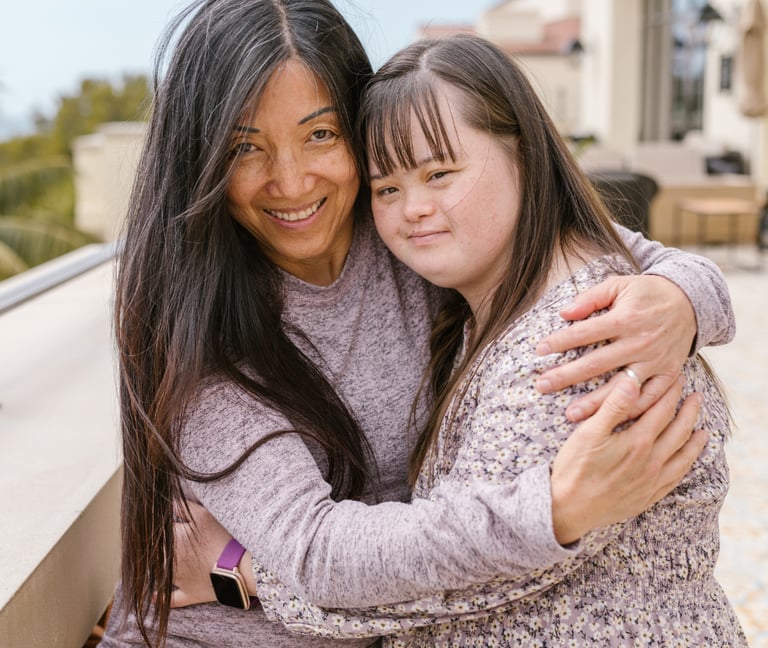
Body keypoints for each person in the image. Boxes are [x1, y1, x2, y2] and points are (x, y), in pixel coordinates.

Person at [100, 1, 734, 646]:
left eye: (320, 134)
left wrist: (680, 298)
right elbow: (317, 552)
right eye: (244, 148)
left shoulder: (409, 234)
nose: (290, 182)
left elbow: (612, 249)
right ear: (198, 162)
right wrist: (554, 510)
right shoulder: (199, 328)